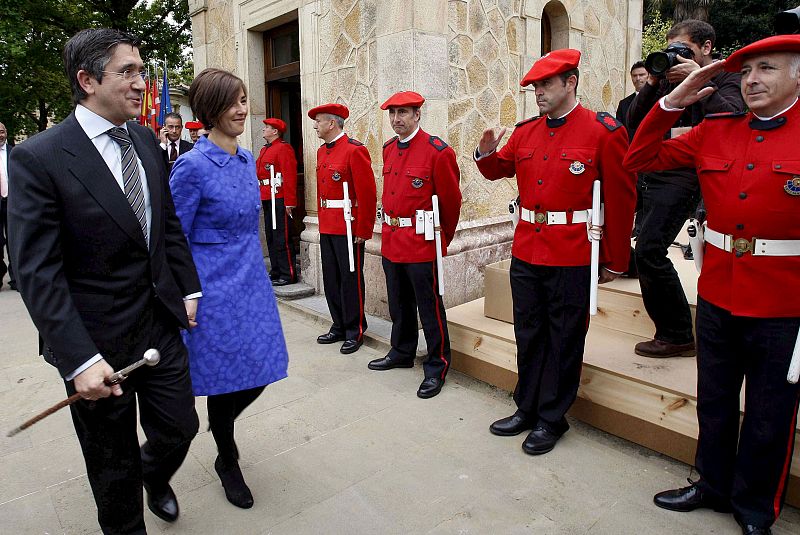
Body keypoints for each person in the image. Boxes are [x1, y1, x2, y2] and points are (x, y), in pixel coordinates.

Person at [8, 29, 201, 533]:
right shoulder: (40, 158)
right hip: (95, 345)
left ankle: (155, 474)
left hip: (160, 324)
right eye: (129, 72)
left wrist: (189, 287)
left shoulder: (145, 141)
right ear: (88, 80)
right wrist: (78, 360)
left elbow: (167, 227)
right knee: (113, 469)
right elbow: (36, 271)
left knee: (182, 427)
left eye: (142, 71)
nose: (143, 84)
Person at [624, 35, 800, 535]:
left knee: (770, 413)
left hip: (785, 303)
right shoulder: (716, 131)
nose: (752, 80)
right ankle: (712, 485)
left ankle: (754, 508)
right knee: (715, 400)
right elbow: (639, 159)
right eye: (746, 71)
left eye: (766, 68)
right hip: (720, 294)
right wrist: (676, 99)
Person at [476, 49, 636, 454]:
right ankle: (526, 407)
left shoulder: (604, 131)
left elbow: (621, 199)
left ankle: (552, 417)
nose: (538, 93)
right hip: (528, 247)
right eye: (534, 87)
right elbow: (498, 170)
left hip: (573, 253)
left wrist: (614, 260)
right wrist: (485, 152)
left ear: (571, 82)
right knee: (528, 333)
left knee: (564, 338)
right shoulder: (526, 131)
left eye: (546, 84)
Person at [169, 68, 289, 509]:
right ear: (210, 110)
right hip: (212, 287)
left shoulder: (245, 158)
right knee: (223, 380)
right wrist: (185, 292)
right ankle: (227, 457)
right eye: (234, 102)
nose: (243, 109)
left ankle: (222, 432)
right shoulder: (192, 166)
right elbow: (174, 236)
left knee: (262, 368)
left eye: (244, 99)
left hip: (251, 281)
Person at [626, 19, 744, 358]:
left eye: (684, 51)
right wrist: (652, 83)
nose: (676, 58)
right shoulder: (667, 80)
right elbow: (635, 124)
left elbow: (733, 118)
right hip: (654, 168)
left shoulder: (727, 76)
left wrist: (699, 79)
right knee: (644, 247)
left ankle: (677, 333)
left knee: (650, 249)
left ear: (706, 48)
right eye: (672, 51)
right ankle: (671, 328)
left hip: (687, 175)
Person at [366, 91, 462, 399]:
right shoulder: (389, 149)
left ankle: (437, 364)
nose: (397, 119)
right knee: (398, 303)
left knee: (429, 307)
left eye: (403, 113)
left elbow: (451, 203)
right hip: (393, 240)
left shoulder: (437, 152)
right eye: (392, 114)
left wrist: (440, 241)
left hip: (421, 244)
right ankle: (402, 351)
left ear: (417, 115)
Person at [310, 103, 377, 354]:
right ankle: (338, 324)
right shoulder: (320, 152)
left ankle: (354, 328)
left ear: (332, 123)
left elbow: (367, 194)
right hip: (328, 224)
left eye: (319, 121)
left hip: (348, 226)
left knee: (350, 279)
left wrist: (364, 228)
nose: (315, 126)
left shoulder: (354, 150)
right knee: (331, 278)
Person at [255, 117, 298, 285]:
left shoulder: (283, 148)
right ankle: (276, 270)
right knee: (271, 236)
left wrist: (290, 202)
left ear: (275, 131)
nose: (264, 129)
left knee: (282, 236)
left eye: (267, 127)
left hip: (279, 197)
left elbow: (290, 175)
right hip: (266, 196)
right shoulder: (265, 149)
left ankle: (288, 274)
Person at [0, 121, 15, 290]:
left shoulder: (14, 152)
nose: (0, 135)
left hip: (12, 202)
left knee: (14, 242)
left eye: (2, 131)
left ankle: (16, 279)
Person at [615, 60, 648, 128]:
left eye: (641, 75)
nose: (638, 78)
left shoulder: (659, 99)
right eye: (634, 76)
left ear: (649, 75)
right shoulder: (623, 104)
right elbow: (619, 130)